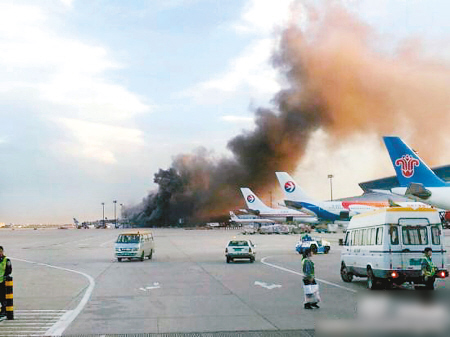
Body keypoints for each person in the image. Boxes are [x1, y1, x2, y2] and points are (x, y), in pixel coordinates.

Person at [0, 246, 12, 317]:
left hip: (3, 281)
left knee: (3, 297)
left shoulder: (6, 260)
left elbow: (9, 270)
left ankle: (4, 310)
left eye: (1, 251)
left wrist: (6, 276)